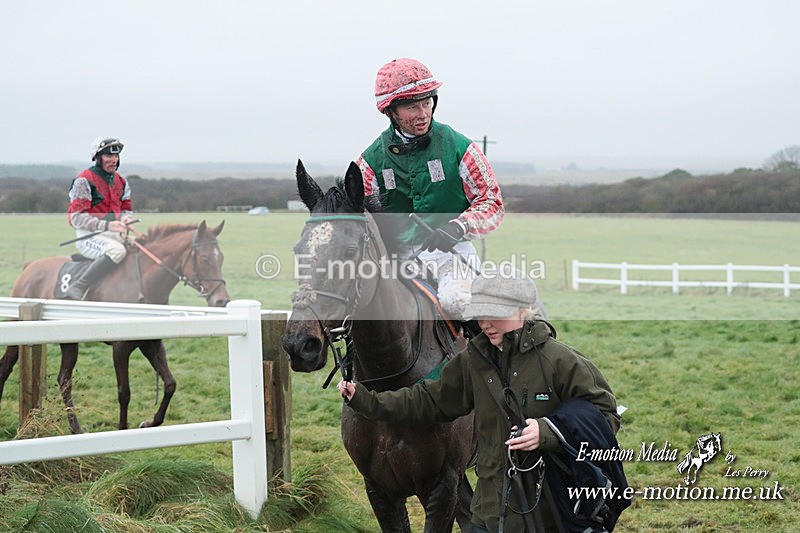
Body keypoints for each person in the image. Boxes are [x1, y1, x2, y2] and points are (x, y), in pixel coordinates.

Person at [337, 270, 626, 532]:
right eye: (480, 314)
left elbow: (605, 414)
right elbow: (428, 401)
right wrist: (365, 400)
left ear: (523, 312)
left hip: (550, 512)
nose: (485, 324)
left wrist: (548, 431)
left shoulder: (561, 361)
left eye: (495, 314)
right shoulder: (474, 360)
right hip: (488, 512)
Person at [355, 57, 506, 320]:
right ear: (391, 112)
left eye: (427, 103)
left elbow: (491, 202)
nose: (423, 113)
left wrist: (460, 226)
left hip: (452, 254)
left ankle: (485, 359)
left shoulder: (460, 148)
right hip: (395, 261)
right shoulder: (369, 162)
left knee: (457, 302)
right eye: (413, 107)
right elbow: (357, 217)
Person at [64, 137, 134, 300]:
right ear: (97, 158)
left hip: (114, 233)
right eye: (108, 156)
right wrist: (107, 226)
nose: (113, 160)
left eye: (115, 157)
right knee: (117, 251)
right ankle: (79, 286)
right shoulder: (84, 180)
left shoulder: (122, 182)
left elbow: (126, 208)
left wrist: (126, 219)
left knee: (139, 247)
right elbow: (76, 218)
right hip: (88, 235)